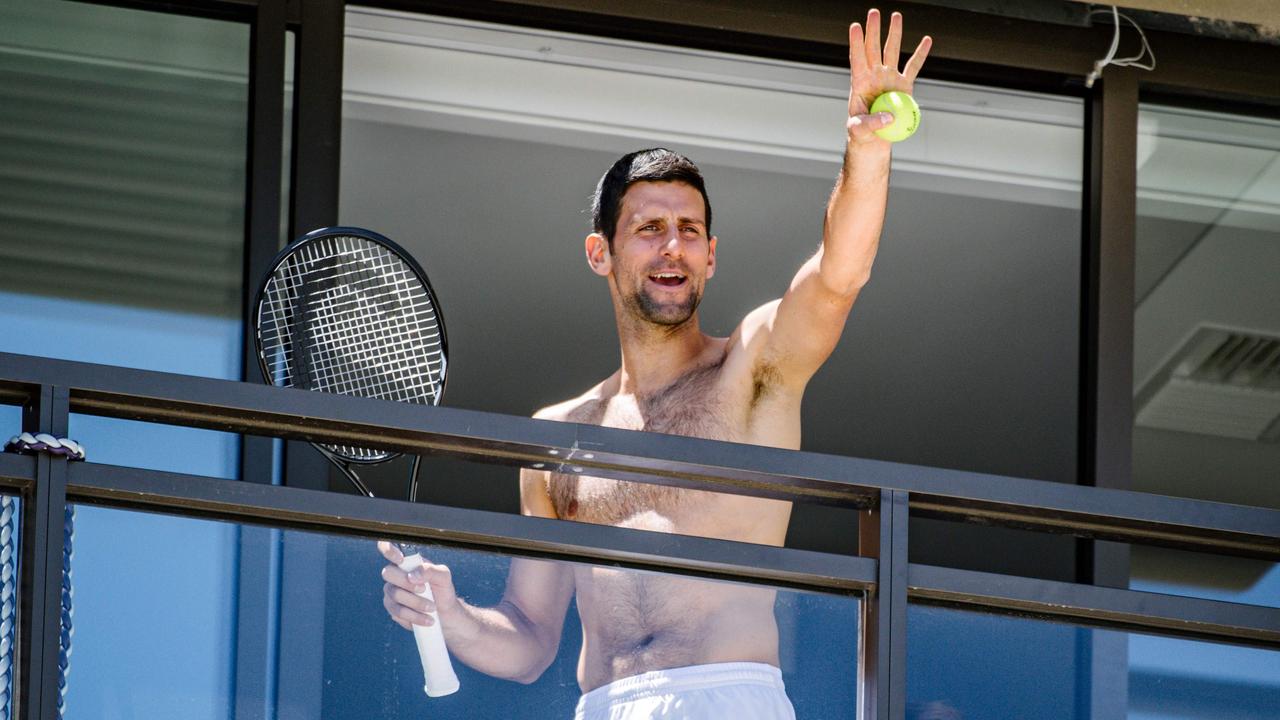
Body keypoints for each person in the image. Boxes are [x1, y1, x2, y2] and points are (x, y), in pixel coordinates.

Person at [379, 8, 931, 719]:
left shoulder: (752, 369)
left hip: (726, 699)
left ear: (711, 254)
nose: (673, 247)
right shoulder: (557, 435)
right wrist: (450, 615)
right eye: (649, 229)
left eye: (689, 231)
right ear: (600, 253)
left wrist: (869, 153)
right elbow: (529, 641)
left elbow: (838, 276)